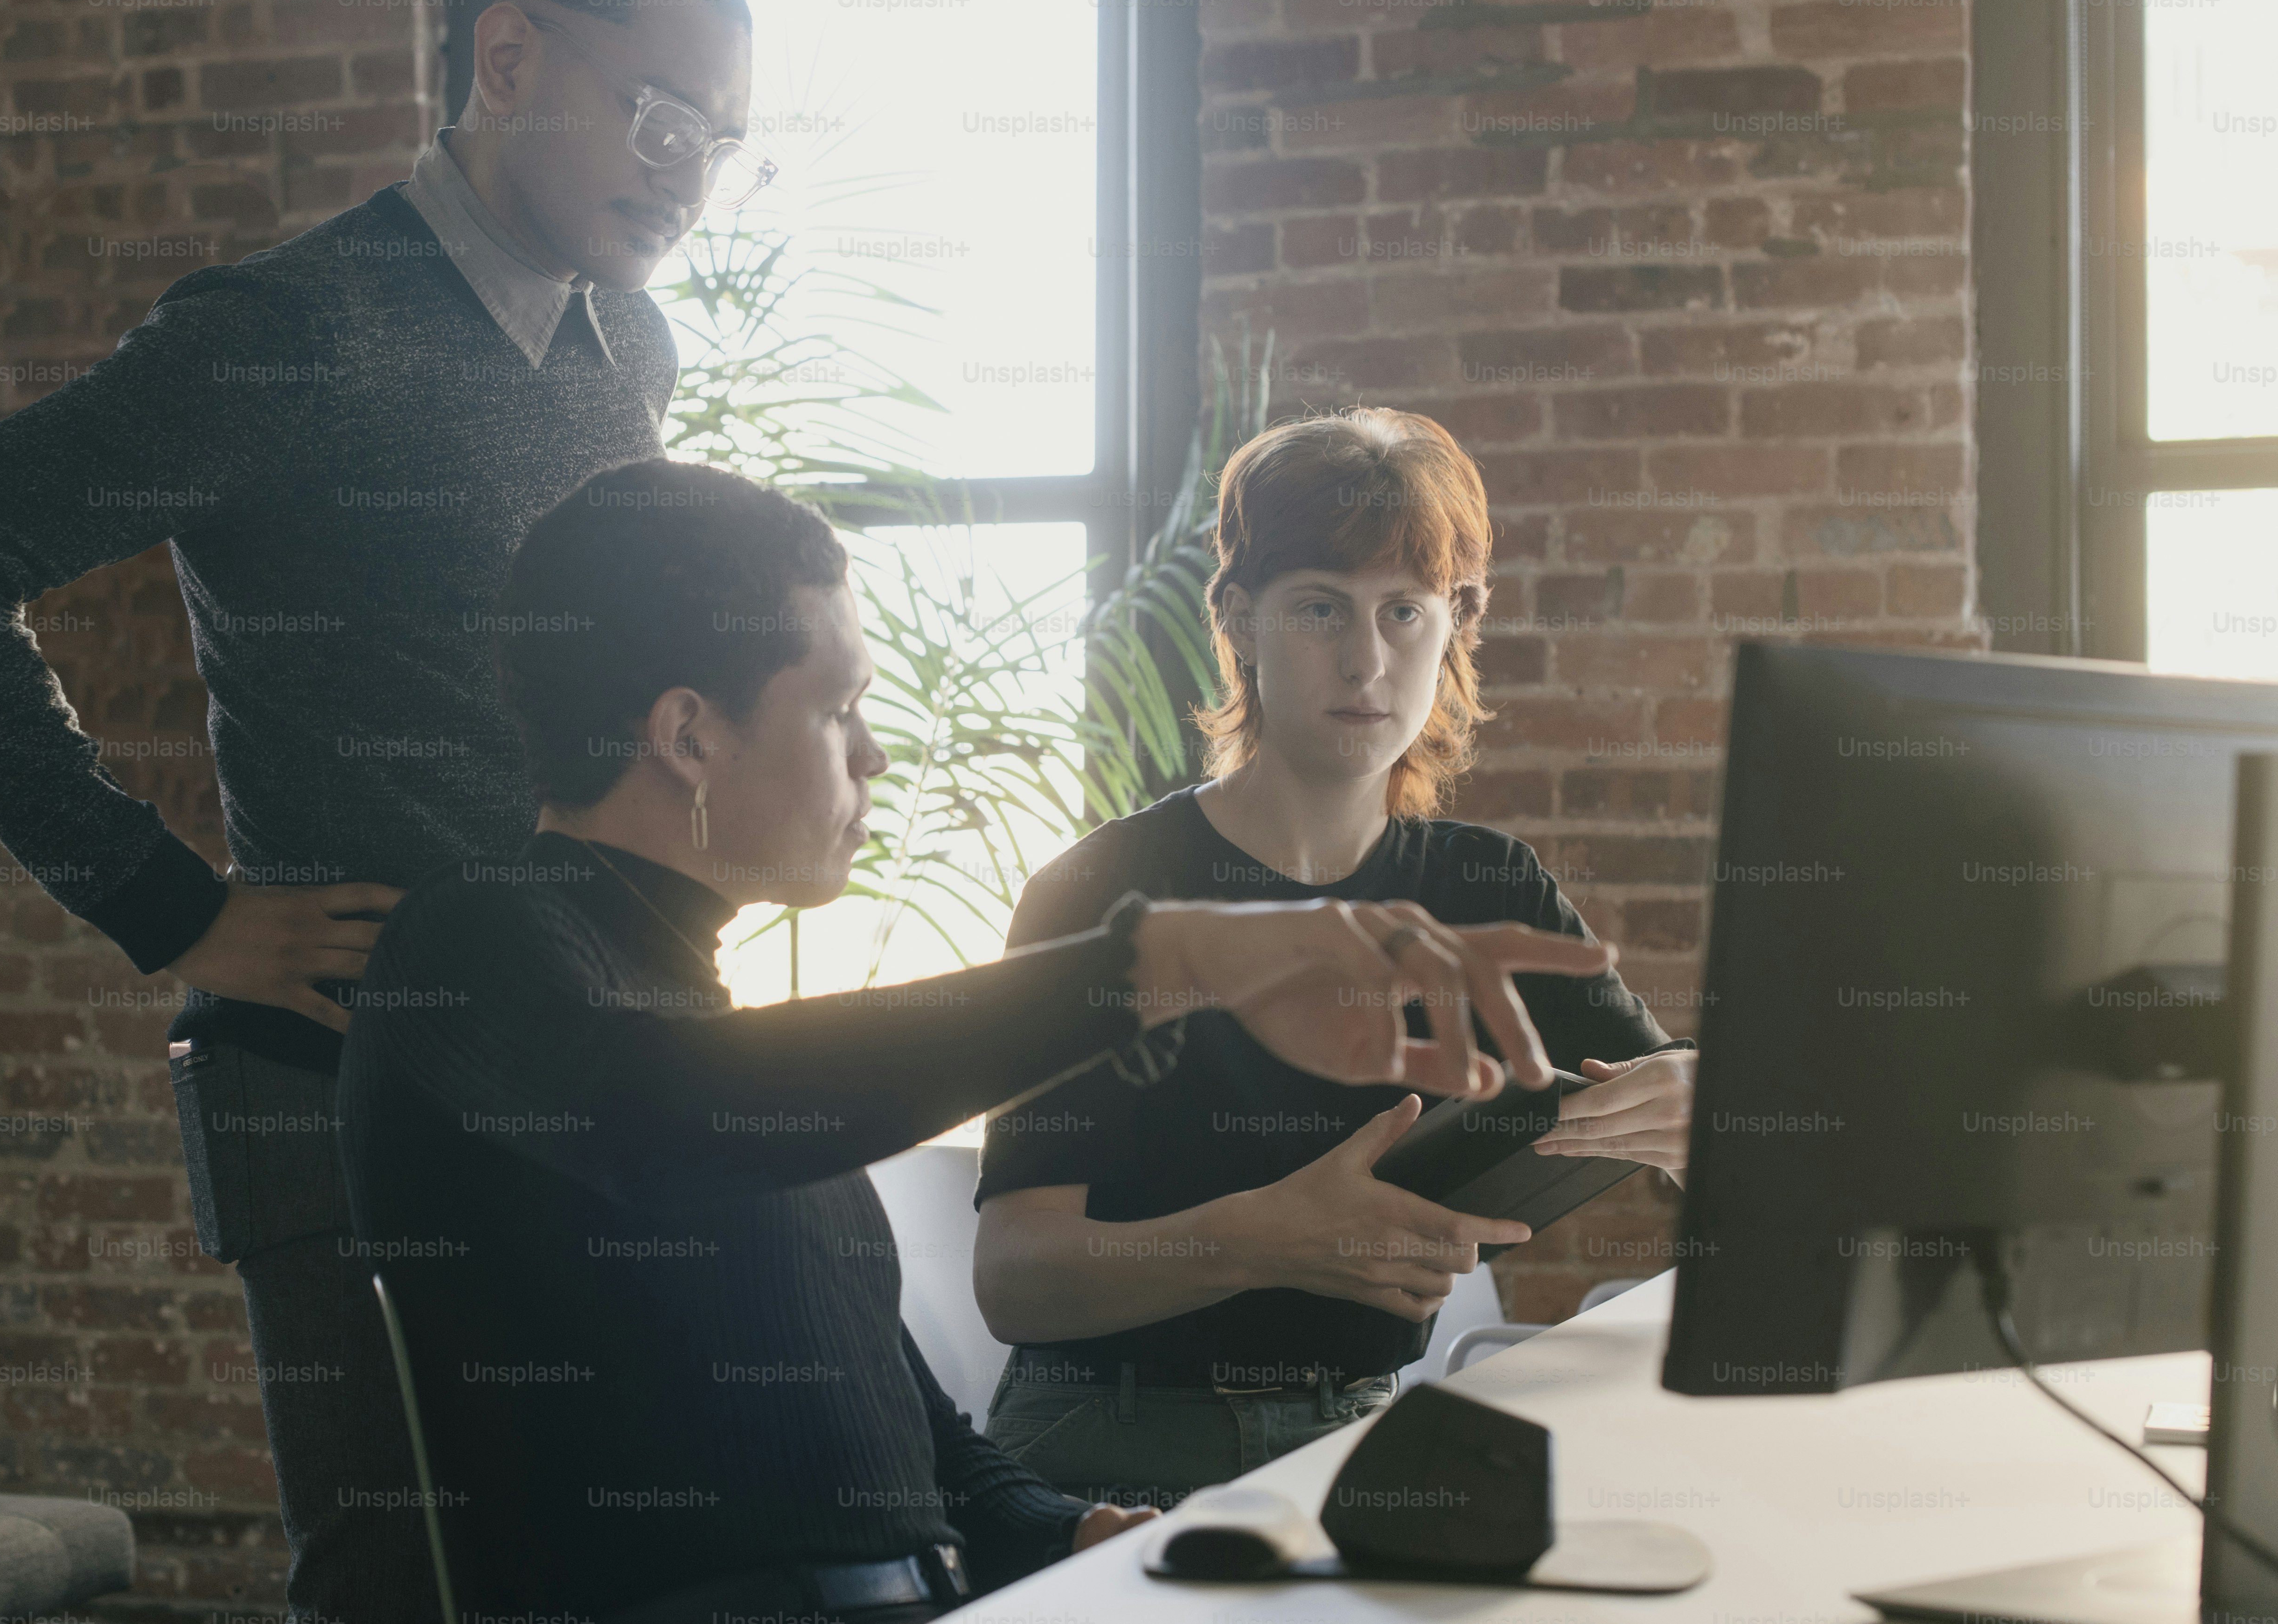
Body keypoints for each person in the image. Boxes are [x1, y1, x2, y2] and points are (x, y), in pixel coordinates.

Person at [0, 0, 770, 1616]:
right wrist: (170, 906)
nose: (687, 167)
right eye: (660, 110)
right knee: (404, 1584)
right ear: (507, 51)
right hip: (337, 1079)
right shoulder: (286, 331)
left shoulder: (630, 341)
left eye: (727, 139)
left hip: (585, 1049)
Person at [334, 458, 1615, 1623]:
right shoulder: (473, 947)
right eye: (838, 710)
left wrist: (1069, 1528)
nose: (876, 755)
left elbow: (906, 1432)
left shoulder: (712, 1030)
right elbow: (668, 1122)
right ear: (687, 737)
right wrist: (1162, 960)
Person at [969, 409, 1700, 1509]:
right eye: (1319, 607)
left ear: (1457, 622)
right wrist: (1258, 1241)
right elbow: (1016, 1281)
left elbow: (1684, 1115)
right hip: (1110, 1442)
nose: (1367, 661)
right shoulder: (1098, 893)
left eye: (1404, 612)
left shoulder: (1487, 885)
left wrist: (1707, 1110)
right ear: (1240, 620)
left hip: (1359, 1435)